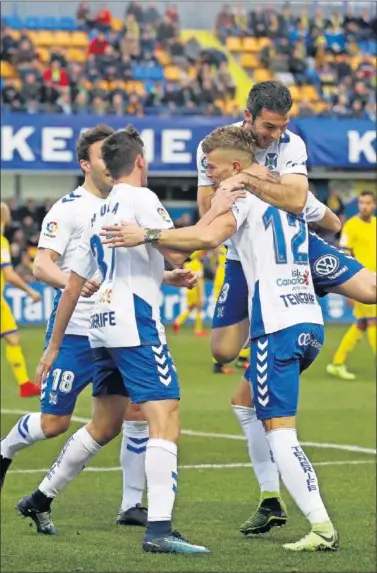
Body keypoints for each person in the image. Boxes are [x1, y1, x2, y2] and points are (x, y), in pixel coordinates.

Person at [101, 125, 340, 552]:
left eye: (210, 167)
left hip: (275, 325)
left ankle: (320, 525)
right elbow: (330, 219)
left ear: (234, 166)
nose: (206, 175)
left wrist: (148, 235)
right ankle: (274, 499)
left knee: (280, 432)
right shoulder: (288, 194)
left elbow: (207, 238)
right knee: (243, 400)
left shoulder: (242, 195)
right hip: (309, 317)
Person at [16, 126, 209, 555]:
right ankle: (159, 529)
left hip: (99, 323)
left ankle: (40, 498)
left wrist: (51, 346)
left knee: (106, 424)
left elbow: (74, 285)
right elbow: (180, 249)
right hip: (134, 321)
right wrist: (217, 218)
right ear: (140, 162)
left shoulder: (100, 213)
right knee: (165, 418)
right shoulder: (142, 199)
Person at [1, 126, 148, 528]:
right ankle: (4, 451)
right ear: (85, 164)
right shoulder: (68, 208)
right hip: (78, 332)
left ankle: (132, 505)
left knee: (134, 413)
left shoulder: (125, 204)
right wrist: (75, 282)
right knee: (54, 424)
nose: (110, 162)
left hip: (118, 329)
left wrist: (169, 277)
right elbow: (41, 265)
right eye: (103, 155)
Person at [327, 191, 376, 380]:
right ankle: (336, 363)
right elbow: (345, 255)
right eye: (361, 203)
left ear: (373, 205)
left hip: (374, 280)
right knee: (373, 321)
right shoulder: (351, 226)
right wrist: (349, 287)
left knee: (362, 324)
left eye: (368, 203)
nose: (364, 206)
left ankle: (337, 362)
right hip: (362, 282)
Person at [0, 202, 41, 398]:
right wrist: (29, 291)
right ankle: (24, 384)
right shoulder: (1, 242)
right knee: (12, 338)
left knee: (12, 337)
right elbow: (8, 274)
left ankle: (24, 384)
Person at [172, 250, 207, 337]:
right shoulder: (199, 265)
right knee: (199, 308)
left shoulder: (187, 265)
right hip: (196, 289)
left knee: (190, 308)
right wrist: (201, 293)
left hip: (189, 290)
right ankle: (198, 330)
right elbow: (199, 280)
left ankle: (178, 321)